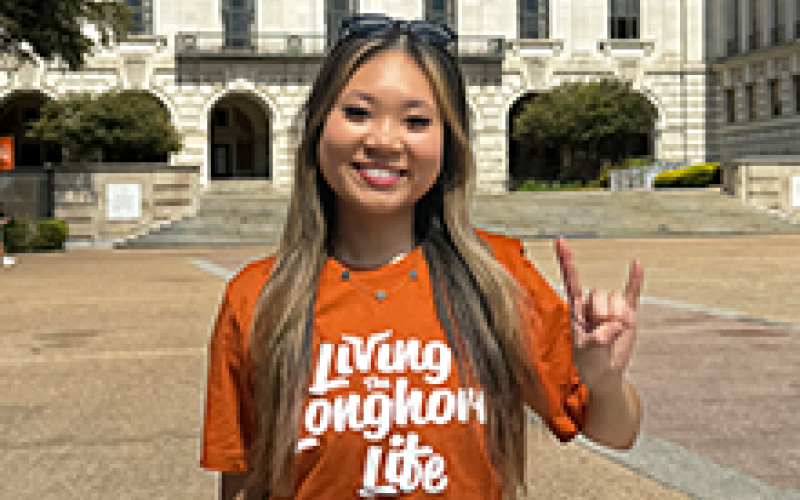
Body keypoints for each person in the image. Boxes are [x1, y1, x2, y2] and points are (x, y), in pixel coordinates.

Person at [200, 13, 644, 500]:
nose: (384, 141)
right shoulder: (260, 298)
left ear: (448, 144)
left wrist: (601, 379)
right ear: (317, 126)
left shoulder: (496, 277)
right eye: (358, 113)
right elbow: (240, 484)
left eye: (416, 121)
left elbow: (615, 431)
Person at [0, 202, 15, 268]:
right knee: (1, 249)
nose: (1, 209)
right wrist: (4, 221)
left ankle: (3, 262)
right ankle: (4, 262)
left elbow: (3, 222)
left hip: (1, 233)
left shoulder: (2, 214)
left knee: (1, 249)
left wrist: (6, 220)